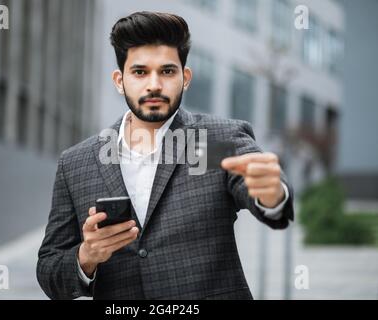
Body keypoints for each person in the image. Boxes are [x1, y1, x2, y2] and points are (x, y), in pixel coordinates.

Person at [37, 11, 294, 300]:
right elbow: (49, 268)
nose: (154, 84)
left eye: (167, 71)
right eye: (140, 72)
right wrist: (86, 256)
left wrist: (272, 195)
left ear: (185, 78)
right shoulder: (77, 163)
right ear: (119, 80)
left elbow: (259, 192)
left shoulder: (213, 143)